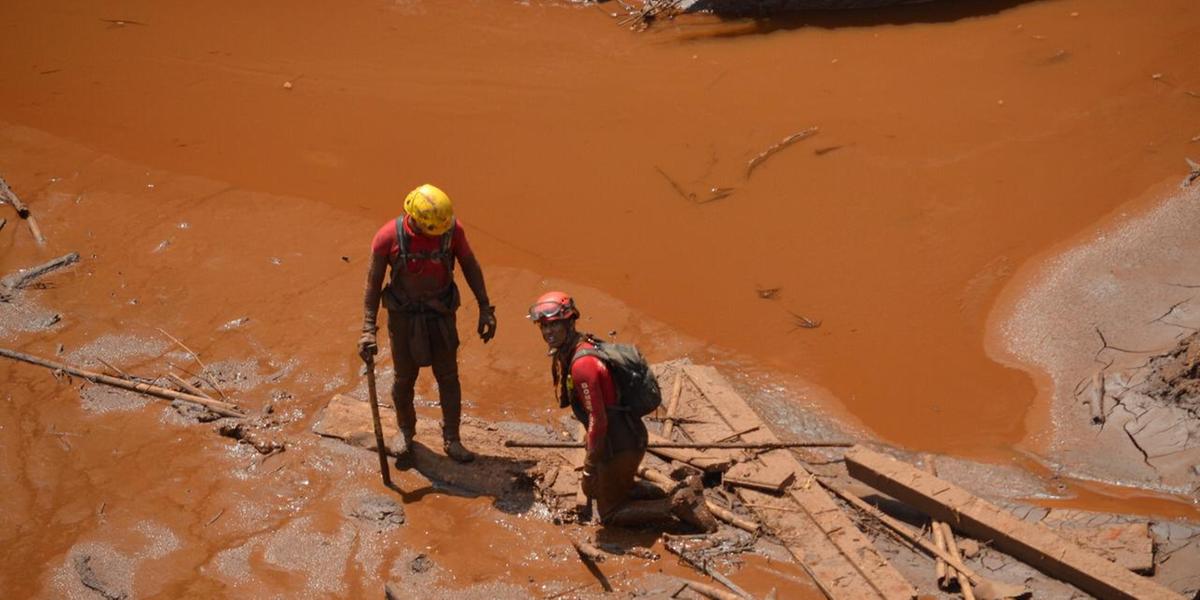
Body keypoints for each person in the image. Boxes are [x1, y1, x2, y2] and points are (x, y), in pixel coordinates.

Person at [528, 291, 716, 531]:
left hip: (619, 447)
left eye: (554, 325)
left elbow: (598, 419)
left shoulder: (582, 364)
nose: (547, 333)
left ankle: (677, 503)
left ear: (570, 322)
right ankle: (681, 488)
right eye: (543, 326)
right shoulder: (580, 345)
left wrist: (588, 467)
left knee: (610, 514)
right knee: (614, 488)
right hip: (628, 436)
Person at [358, 183, 496, 464]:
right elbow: (372, 284)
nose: (438, 234)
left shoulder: (451, 231)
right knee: (403, 379)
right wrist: (368, 329)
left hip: (440, 314)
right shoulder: (388, 237)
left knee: (448, 377)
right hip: (404, 317)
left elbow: (470, 265)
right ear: (415, 219)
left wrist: (485, 307)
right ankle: (406, 432)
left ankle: (452, 439)